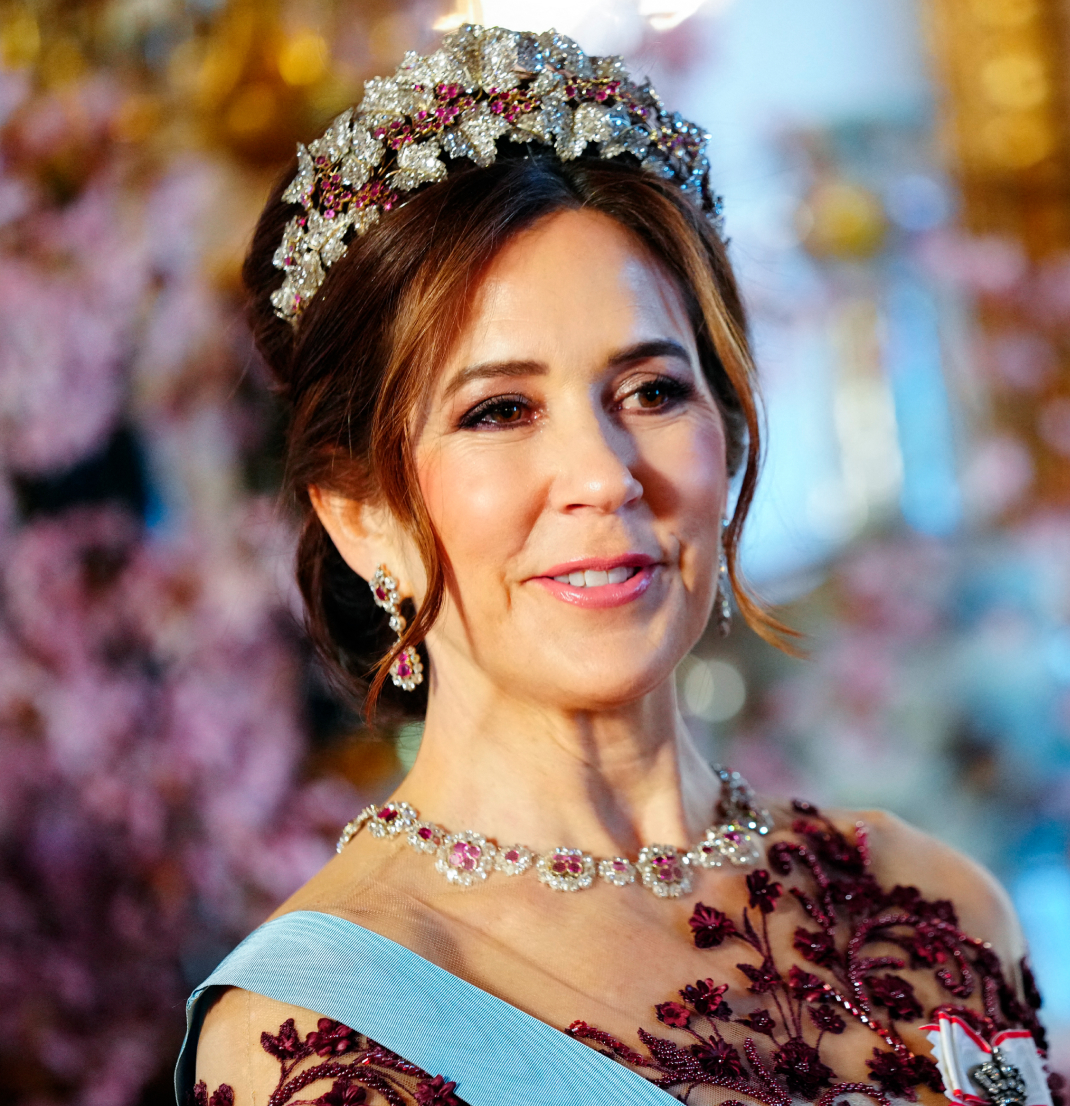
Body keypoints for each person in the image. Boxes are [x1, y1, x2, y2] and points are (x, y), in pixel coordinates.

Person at [177, 25, 1057, 1106]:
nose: (603, 473)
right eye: (500, 410)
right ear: (362, 516)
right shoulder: (316, 1036)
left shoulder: (933, 902)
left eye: (651, 390)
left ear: (727, 432)